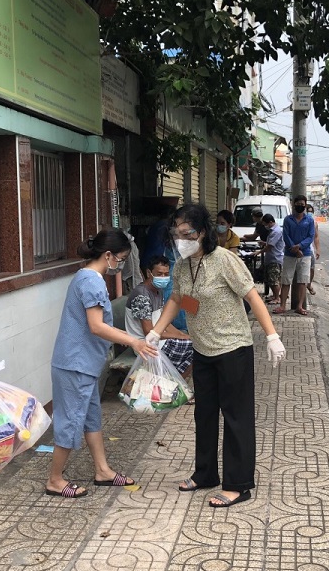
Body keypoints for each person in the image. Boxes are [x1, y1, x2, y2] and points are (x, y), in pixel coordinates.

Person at [147, 204, 286, 508]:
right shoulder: (183, 266)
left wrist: (272, 336)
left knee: (236, 418)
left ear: (204, 232)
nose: (181, 239)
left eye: (188, 234)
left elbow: (251, 295)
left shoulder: (225, 260)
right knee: (204, 415)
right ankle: (205, 473)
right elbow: (179, 300)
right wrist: (157, 331)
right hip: (203, 349)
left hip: (233, 348)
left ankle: (238, 484)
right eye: (177, 234)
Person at [46, 229, 158, 498]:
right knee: (71, 422)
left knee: (90, 418)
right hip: (75, 364)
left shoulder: (87, 276)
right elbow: (96, 326)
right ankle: (55, 480)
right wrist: (134, 341)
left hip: (82, 363)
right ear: (108, 256)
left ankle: (103, 471)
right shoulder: (92, 282)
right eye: (120, 259)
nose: (120, 265)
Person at [125, 255, 194, 377]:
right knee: (195, 348)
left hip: (159, 340)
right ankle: (176, 385)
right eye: (159, 274)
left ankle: (175, 384)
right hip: (145, 345)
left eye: (166, 274)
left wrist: (181, 335)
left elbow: (163, 321)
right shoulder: (142, 296)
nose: (163, 278)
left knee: (194, 343)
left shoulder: (158, 290)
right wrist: (182, 337)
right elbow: (149, 332)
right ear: (148, 273)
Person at [274, 195, 315, 316]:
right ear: (294, 205)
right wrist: (295, 249)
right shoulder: (288, 220)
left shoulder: (309, 220)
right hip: (290, 253)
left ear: (305, 205)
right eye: (298, 204)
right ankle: (282, 306)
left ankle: (299, 306)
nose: (300, 206)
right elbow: (285, 236)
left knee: (303, 280)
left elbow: (310, 236)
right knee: (286, 280)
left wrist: (300, 246)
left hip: (305, 254)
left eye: (302, 204)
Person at [257, 213, 284, 304]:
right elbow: (271, 244)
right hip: (272, 258)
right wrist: (264, 243)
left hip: (275, 258)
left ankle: (277, 298)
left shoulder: (276, 231)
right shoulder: (274, 230)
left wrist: (258, 252)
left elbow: (270, 247)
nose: (265, 226)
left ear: (270, 222)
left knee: (273, 279)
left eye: (265, 224)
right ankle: (275, 296)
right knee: (272, 279)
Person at [306, 203, 321, 296]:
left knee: (312, 268)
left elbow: (316, 237)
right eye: (308, 212)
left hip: (310, 250)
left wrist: (317, 249)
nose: (309, 213)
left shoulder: (314, 223)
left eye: (311, 212)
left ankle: (309, 284)